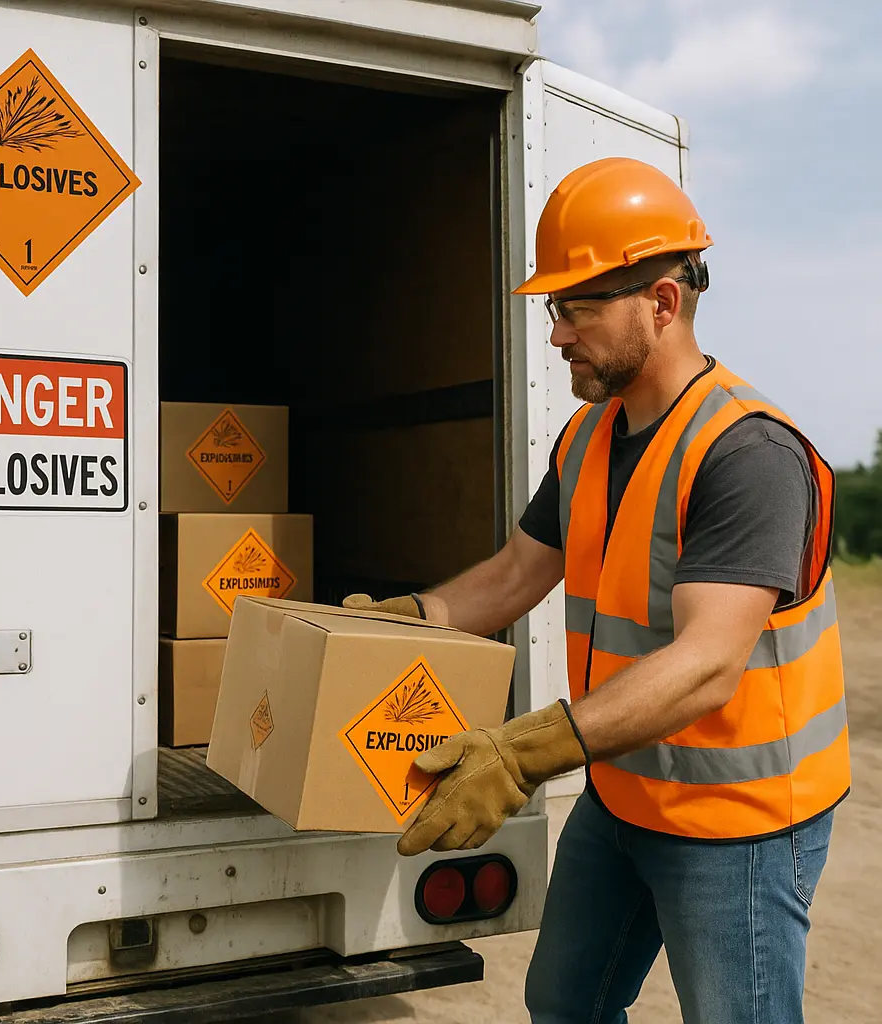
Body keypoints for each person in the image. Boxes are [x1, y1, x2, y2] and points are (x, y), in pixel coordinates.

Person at [343, 156, 850, 1023]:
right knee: (566, 1002)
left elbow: (705, 666)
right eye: (555, 309)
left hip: (739, 825)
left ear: (662, 301)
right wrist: (406, 620)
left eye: (577, 308)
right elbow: (513, 576)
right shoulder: (588, 439)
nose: (556, 335)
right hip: (624, 795)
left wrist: (518, 752)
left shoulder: (748, 455)